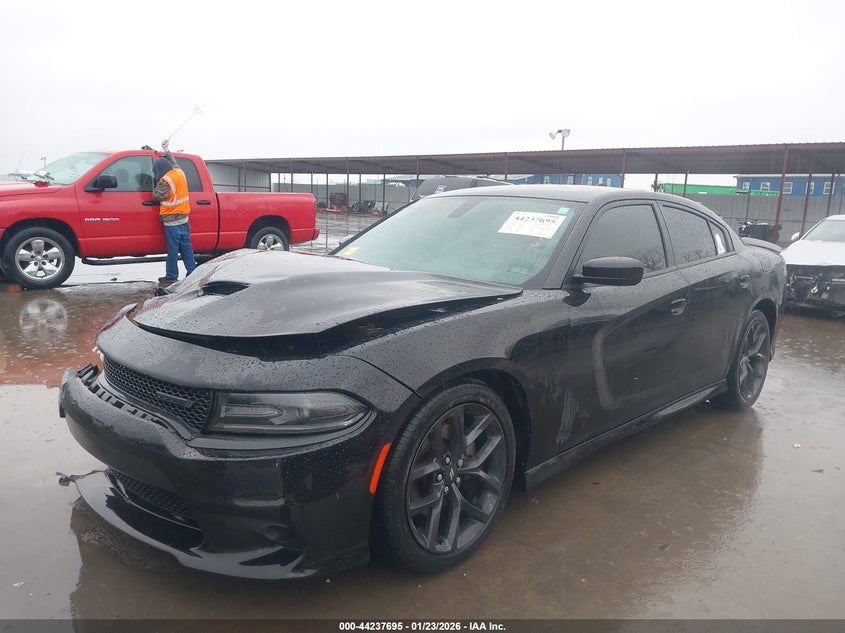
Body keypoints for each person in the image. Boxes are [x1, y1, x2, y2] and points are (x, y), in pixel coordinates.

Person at [153, 139, 196, 283]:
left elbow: (157, 195)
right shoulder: (179, 172)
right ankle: (192, 271)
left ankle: (171, 275)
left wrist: (155, 183)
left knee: (173, 250)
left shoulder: (165, 181)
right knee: (186, 247)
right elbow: (174, 161)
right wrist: (166, 150)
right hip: (184, 218)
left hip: (171, 221)